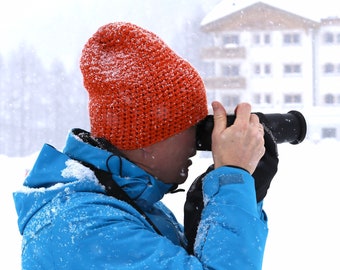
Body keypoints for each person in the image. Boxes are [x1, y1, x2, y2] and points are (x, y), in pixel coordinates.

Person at [13, 22, 278, 269]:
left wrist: (230, 202)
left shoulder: (127, 205)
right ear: (145, 139)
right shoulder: (86, 225)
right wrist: (232, 179)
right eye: (191, 128)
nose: (197, 145)